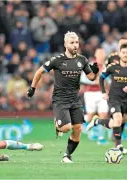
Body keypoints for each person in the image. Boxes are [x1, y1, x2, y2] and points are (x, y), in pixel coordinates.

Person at [27, 32, 99, 163]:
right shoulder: (57, 60)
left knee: (78, 129)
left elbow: (91, 78)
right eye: (72, 43)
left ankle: (67, 155)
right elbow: (39, 72)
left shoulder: (82, 60)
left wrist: (95, 71)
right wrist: (32, 88)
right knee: (66, 128)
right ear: (65, 44)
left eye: (76, 42)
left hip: (75, 99)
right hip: (60, 99)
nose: (75, 45)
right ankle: (58, 125)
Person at [86, 43, 127, 154]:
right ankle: (119, 146)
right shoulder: (112, 67)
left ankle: (97, 121)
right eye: (123, 52)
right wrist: (103, 92)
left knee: (115, 122)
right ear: (120, 54)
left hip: (125, 99)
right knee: (117, 119)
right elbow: (101, 79)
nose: (125, 55)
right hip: (113, 98)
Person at [103, 38, 127, 153]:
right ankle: (118, 143)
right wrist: (107, 88)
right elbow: (105, 72)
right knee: (117, 116)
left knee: (123, 117)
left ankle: (116, 135)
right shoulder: (111, 57)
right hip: (114, 90)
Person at [80, 48, 109, 145]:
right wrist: (95, 81)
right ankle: (76, 121)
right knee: (89, 116)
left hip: (102, 93)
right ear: (96, 55)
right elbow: (83, 79)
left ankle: (101, 138)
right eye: (100, 54)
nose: (101, 56)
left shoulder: (106, 67)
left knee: (103, 115)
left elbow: (108, 81)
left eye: (103, 54)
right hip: (90, 94)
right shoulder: (91, 65)